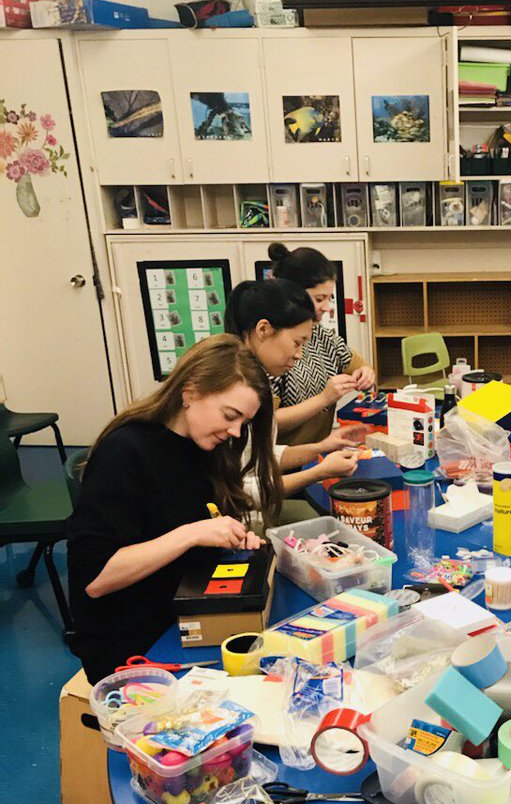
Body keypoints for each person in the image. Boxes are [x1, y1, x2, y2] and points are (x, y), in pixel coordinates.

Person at [67, 335, 278, 683]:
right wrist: (192, 534)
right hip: (134, 643)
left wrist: (231, 544)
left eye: (244, 422)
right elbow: (95, 580)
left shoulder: (202, 447)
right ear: (190, 391)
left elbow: (192, 530)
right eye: (230, 415)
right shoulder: (125, 452)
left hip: (182, 615)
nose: (236, 431)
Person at [223, 279, 359, 521]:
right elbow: (239, 490)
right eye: (297, 343)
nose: (299, 355)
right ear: (263, 329)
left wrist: (321, 447)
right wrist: (318, 472)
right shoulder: (232, 390)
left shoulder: (257, 381)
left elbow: (260, 454)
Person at [267, 242, 376, 446]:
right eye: (319, 299)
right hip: (283, 461)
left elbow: (360, 364)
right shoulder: (270, 348)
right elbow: (267, 423)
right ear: (292, 294)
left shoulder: (321, 336)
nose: (326, 308)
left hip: (316, 453)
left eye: (329, 299)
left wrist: (366, 373)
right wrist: (324, 398)